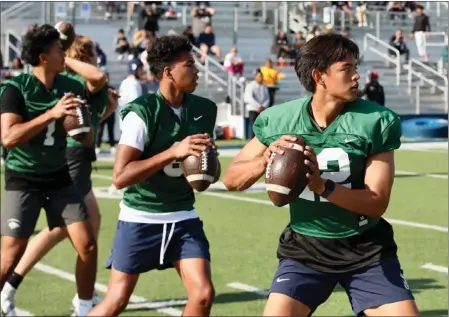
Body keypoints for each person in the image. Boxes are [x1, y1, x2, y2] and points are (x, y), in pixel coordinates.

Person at [222, 34, 419, 317]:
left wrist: (322, 186)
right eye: (346, 69)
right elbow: (231, 179)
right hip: (306, 248)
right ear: (319, 76)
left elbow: (377, 201)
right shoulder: (280, 120)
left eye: (355, 67)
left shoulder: (375, 121)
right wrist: (265, 159)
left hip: (365, 247)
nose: (356, 76)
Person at [87, 35, 218, 317]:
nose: (197, 70)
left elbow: (204, 180)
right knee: (116, 301)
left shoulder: (204, 110)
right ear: (168, 71)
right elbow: (120, 177)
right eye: (190, 64)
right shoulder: (143, 112)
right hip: (141, 217)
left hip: (183, 216)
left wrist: (207, 163)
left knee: (203, 295)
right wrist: (173, 153)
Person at [0, 34, 113, 314]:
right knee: (11, 253)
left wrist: (83, 125)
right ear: (42, 57)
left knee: (87, 244)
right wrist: (51, 114)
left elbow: (97, 83)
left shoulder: (70, 85)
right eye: (58, 51)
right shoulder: (15, 88)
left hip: (59, 175)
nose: (64, 55)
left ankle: (85, 307)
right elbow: (9, 137)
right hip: (23, 177)